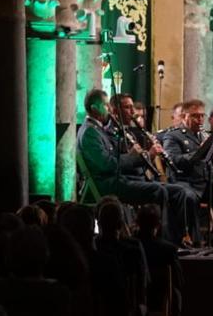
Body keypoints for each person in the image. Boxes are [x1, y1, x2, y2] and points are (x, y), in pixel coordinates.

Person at [77, 89, 195, 245]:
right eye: (106, 105)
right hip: (105, 183)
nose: (110, 109)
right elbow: (106, 165)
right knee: (158, 191)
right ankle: (157, 241)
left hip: (116, 179)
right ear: (94, 108)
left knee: (178, 191)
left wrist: (140, 154)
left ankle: (177, 239)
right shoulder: (90, 132)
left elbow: (115, 158)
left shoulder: (98, 129)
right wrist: (134, 157)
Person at [160, 100, 213, 248]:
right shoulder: (173, 136)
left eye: (202, 116)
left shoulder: (204, 135)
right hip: (183, 181)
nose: (200, 120)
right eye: (195, 116)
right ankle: (195, 240)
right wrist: (198, 152)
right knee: (189, 197)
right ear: (184, 116)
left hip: (204, 183)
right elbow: (173, 160)